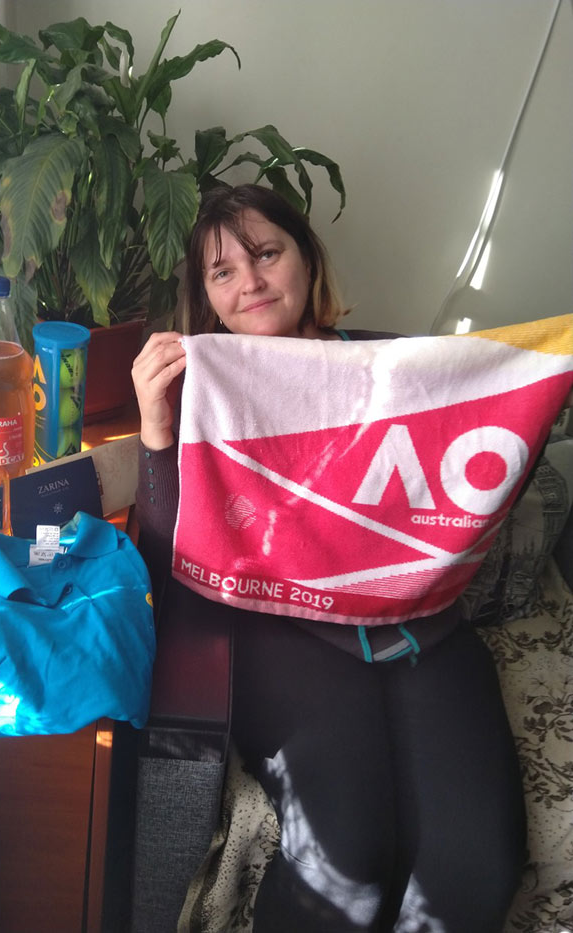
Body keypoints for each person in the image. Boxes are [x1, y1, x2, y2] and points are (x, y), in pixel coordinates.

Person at [131, 184, 527, 932]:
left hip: (422, 631)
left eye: (266, 253)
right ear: (206, 296)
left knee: (478, 864)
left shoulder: (396, 365)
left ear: (307, 260)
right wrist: (156, 428)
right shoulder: (192, 390)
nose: (250, 281)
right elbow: (165, 563)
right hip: (283, 636)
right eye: (223, 271)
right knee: (349, 861)